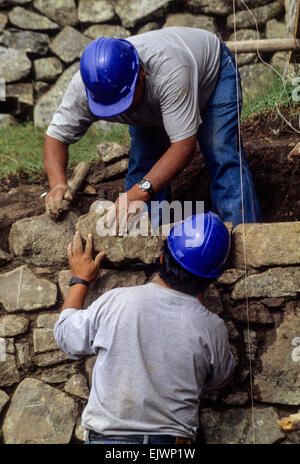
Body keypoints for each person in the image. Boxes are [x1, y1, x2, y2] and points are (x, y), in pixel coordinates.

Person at [43, 27, 261, 228]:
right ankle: (145, 248)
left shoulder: (170, 72)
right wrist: (58, 184)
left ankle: (242, 241)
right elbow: (56, 137)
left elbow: (184, 147)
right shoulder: (88, 85)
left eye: (125, 100)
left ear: (142, 74)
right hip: (157, 102)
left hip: (213, 75)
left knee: (220, 151)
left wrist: (139, 192)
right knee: (143, 169)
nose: (123, 111)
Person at [54, 211, 235, 444]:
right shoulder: (213, 327)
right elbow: (219, 379)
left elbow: (66, 337)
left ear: (161, 258)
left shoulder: (117, 301)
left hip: (108, 440)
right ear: (214, 278)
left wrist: (80, 279)